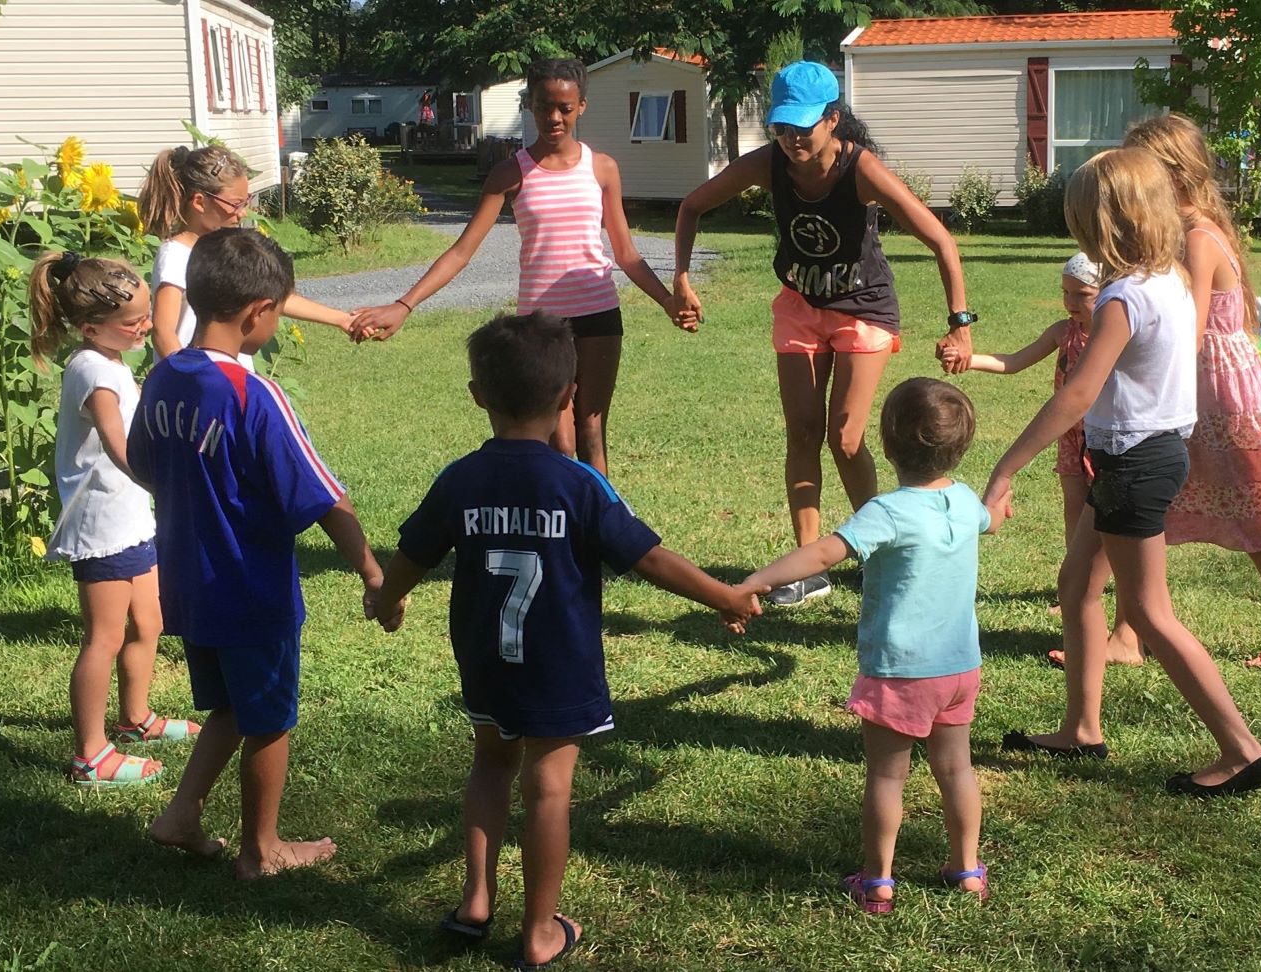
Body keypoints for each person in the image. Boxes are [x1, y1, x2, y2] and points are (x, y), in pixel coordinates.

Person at [365, 312, 763, 969]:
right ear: (568, 396)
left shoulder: (461, 478)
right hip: (558, 663)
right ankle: (540, 930)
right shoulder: (580, 485)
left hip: (486, 659)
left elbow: (411, 554)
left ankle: (475, 900)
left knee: (491, 764)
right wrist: (723, 595)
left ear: (478, 396)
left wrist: (387, 598)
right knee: (548, 791)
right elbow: (650, 558)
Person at [985, 148, 1261, 798]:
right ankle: (1080, 729)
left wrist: (1005, 469)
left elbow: (1077, 395)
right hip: (1148, 455)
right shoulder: (1170, 280)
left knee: (1149, 614)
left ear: (1103, 223)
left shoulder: (1121, 297)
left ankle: (1242, 750)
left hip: (1132, 464)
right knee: (1076, 584)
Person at [126, 228, 385, 876]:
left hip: (187, 580)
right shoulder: (253, 395)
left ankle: (180, 814)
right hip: (249, 587)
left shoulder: (162, 378)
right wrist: (371, 568)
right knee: (268, 718)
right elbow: (325, 497)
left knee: (232, 707)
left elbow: (140, 460)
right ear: (258, 314)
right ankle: (260, 849)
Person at [671, 61, 975, 607]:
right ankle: (806, 567)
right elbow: (693, 205)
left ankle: (878, 546)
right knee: (802, 433)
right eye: (781, 128)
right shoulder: (768, 164)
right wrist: (682, 278)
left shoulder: (861, 170)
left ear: (832, 120)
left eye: (802, 128)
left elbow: (941, 240)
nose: (790, 140)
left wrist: (960, 324)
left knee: (846, 438)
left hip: (863, 311)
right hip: (799, 306)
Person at [350, 59, 696, 475]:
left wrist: (666, 301)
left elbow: (625, 253)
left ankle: (601, 531)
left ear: (581, 106)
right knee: (558, 440)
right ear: (529, 105)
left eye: (565, 108)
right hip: (541, 325)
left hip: (599, 315)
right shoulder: (510, 173)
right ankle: (558, 527)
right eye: (543, 106)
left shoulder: (602, 169)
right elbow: (462, 251)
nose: (554, 117)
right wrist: (404, 305)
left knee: (591, 428)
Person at [743, 378, 1000, 913]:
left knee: (887, 775)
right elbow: (988, 520)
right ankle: (967, 869)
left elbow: (820, 556)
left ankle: (878, 880)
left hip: (899, 671)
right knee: (957, 770)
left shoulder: (887, 512)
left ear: (885, 443)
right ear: (962, 445)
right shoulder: (965, 501)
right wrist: (1000, 508)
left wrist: (755, 581)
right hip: (958, 668)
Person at [1122, 114, 1261, 670]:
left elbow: (1189, 329)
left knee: (1254, 507)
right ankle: (1128, 635)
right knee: (1145, 504)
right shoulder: (1185, 234)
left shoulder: (1199, 239)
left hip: (1221, 397)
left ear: (1172, 177)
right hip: (1200, 388)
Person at [31, 251, 198, 787]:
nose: (146, 327)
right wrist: (166, 484)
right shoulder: (91, 370)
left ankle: (136, 718)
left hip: (132, 518)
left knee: (148, 622)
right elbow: (116, 442)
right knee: (103, 637)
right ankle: (90, 755)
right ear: (89, 327)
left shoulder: (113, 359)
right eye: (134, 323)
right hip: (102, 524)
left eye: (146, 316)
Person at [962, 254, 1146, 668]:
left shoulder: (1114, 333)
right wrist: (970, 360)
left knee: (1116, 532)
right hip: (1070, 438)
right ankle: (1080, 595)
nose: (1070, 302)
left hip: (1108, 439)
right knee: (1075, 514)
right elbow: (1013, 361)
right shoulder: (1065, 332)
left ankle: (1123, 631)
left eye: (1081, 294)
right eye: (1064, 293)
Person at [138, 144, 351, 371]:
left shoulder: (224, 249)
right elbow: (163, 331)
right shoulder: (175, 255)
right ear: (199, 202)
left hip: (231, 380)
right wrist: (192, 379)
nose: (242, 213)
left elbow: (270, 295)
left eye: (245, 202)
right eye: (234, 204)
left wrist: (341, 319)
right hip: (199, 389)